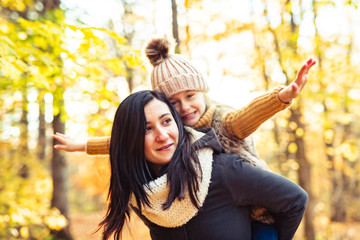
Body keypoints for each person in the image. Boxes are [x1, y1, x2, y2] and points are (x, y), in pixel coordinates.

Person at [53, 37, 316, 237]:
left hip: (261, 211)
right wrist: (83, 145)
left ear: (202, 92)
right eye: (173, 103)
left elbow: (248, 115)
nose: (185, 107)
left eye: (190, 95)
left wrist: (283, 97)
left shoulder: (223, 121)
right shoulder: (172, 139)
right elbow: (125, 142)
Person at [96, 90, 307, 240]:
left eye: (166, 121)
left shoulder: (224, 171)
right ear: (130, 140)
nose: (162, 135)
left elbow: (295, 200)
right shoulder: (142, 194)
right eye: (146, 129)